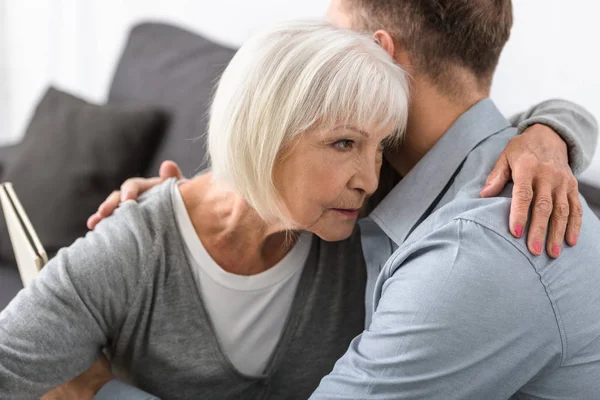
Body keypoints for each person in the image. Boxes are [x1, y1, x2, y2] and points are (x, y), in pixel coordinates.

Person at [80, 2, 600, 400]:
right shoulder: (442, 175)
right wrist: (183, 211)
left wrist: (95, 387)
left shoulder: (470, 257)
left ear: (377, 53)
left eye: (333, 36)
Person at [0, 21, 411, 399]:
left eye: (381, 148)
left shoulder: (368, 222)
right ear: (261, 132)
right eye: (345, 144)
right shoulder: (133, 247)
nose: (370, 181)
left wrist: (98, 389)